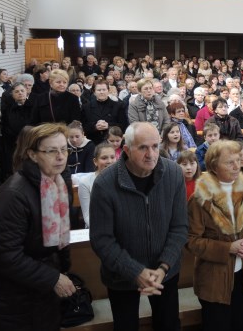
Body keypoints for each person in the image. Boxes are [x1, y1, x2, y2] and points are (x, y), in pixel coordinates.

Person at [89, 122, 189, 331]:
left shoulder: (173, 173)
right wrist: (135, 271)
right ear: (126, 150)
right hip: (121, 276)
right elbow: (102, 239)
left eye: (155, 146)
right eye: (143, 147)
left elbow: (179, 227)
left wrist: (163, 267)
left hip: (165, 272)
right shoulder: (105, 183)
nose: (151, 154)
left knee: (169, 325)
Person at [0, 123, 77, 330]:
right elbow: (3, 253)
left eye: (64, 149)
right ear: (33, 155)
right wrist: (52, 278)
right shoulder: (14, 195)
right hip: (11, 301)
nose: (61, 157)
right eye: (51, 151)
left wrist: (62, 270)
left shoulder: (58, 184)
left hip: (41, 294)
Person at [187, 140, 243, 331]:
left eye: (238, 160)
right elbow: (192, 241)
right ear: (214, 166)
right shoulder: (199, 198)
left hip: (242, 276)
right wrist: (228, 248)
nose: (237, 166)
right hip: (214, 281)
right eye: (229, 162)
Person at [76, 142, 116, 228]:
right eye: (104, 158)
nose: (109, 161)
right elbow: (87, 216)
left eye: (112, 157)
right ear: (95, 161)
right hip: (95, 228)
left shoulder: (122, 180)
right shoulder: (85, 182)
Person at [81, 80, 127, 145]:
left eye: (104, 90)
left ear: (108, 91)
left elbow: (123, 125)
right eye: (99, 90)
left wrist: (109, 126)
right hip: (92, 142)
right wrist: (95, 126)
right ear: (94, 92)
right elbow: (83, 126)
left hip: (113, 143)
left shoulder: (118, 106)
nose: (101, 92)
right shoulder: (86, 107)